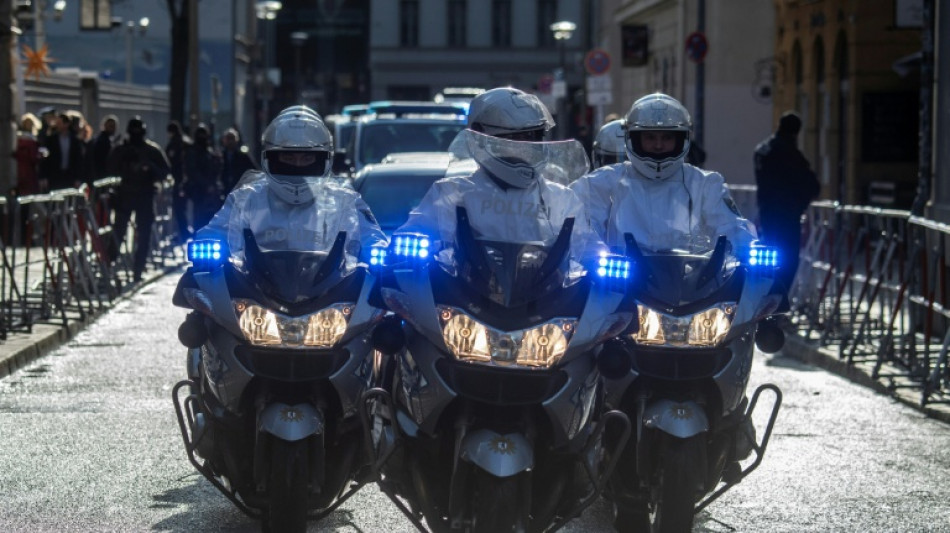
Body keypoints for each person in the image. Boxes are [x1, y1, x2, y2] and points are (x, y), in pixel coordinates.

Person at [397, 86, 605, 268]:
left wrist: (604, 261)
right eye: (514, 140)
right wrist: (406, 247)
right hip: (469, 303)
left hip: (546, 306)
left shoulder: (561, 198)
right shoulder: (452, 194)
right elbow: (414, 234)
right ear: (481, 139)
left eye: (534, 138)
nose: (526, 148)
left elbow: (588, 247)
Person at [572, 92, 757, 254]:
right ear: (633, 139)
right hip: (621, 288)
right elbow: (583, 230)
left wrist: (746, 249)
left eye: (667, 137)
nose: (659, 145)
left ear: (681, 140)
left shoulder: (706, 184)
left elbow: (730, 227)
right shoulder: (601, 183)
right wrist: (595, 254)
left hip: (691, 285)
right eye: (650, 137)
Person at [197, 106, 386, 265]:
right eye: (288, 157)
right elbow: (217, 230)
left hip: (329, 298)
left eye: (307, 158)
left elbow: (371, 236)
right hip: (258, 298)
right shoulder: (247, 198)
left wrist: (377, 251)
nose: (297, 165)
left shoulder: (344, 200)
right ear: (269, 159)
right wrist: (207, 244)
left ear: (325, 159)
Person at [754, 110, 820, 293]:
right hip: (787, 217)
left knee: (765, 263)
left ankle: (762, 299)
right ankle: (776, 303)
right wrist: (800, 204)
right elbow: (812, 184)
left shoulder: (762, 150)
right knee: (787, 261)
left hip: (767, 215)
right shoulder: (789, 153)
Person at [106, 116, 171, 282]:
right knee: (118, 233)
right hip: (125, 196)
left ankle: (137, 270)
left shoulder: (151, 150)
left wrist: (149, 167)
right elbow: (110, 170)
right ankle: (109, 267)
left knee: (144, 236)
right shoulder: (122, 150)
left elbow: (165, 171)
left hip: (144, 196)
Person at [183, 123, 223, 232]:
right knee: (199, 221)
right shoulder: (192, 151)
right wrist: (205, 185)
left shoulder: (209, 151)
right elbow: (192, 171)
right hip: (199, 192)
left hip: (211, 193)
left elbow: (215, 170)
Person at [41, 112, 85, 190]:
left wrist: (78, 178)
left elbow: (78, 160)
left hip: (70, 176)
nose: (57, 125)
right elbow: (45, 160)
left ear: (66, 124)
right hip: (55, 176)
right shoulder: (51, 140)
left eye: (60, 123)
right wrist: (44, 177)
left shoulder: (74, 140)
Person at [165, 121, 192, 241]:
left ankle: (183, 232)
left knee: (179, 208)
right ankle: (183, 231)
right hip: (186, 180)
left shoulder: (175, 144)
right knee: (182, 208)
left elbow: (170, 162)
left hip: (178, 180)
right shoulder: (186, 142)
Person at [13, 113, 47, 196]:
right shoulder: (31, 142)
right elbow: (33, 158)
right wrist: (41, 156)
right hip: (29, 173)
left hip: (18, 171)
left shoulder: (17, 140)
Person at [218, 127, 258, 194]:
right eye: (228, 138)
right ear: (224, 140)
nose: (230, 141)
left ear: (236, 140)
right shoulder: (219, 155)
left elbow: (254, 170)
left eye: (232, 138)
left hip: (239, 190)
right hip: (222, 190)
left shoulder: (243, 156)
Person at [91, 114, 119, 181]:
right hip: (102, 174)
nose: (113, 129)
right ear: (105, 126)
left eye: (114, 126)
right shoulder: (102, 141)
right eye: (111, 126)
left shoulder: (108, 139)